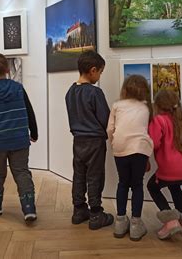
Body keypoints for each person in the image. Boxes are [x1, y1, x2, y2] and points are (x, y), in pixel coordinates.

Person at [0, 52, 38, 222]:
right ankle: (29, 207)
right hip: (19, 139)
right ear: (7, 69)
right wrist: (33, 132)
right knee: (21, 172)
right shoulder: (18, 88)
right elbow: (29, 111)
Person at [65, 50, 114, 230]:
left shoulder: (70, 92)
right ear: (93, 70)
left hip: (78, 141)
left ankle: (79, 210)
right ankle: (96, 213)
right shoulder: (95, 93)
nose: (99, 76)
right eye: (100, 72)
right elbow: (105, 119)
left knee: (79, 175)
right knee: (95, 176)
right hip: (94, 142)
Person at [107, 75, 153, 241]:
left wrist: (114, 143)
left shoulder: (117, 105)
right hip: (140, 149)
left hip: (120, 147)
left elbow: (110, 129)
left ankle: (120, 221)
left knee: (122, 183)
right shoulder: (146, 107)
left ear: (125, 89)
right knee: (137, 185)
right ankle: (135, 224)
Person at [147, 90, 182, 239]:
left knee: (152, 187)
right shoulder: (181, 120)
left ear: (158, 105)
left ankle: (170, 221)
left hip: (170, 170)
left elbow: (153, 143)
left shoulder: (159, 120)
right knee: (175, 187)